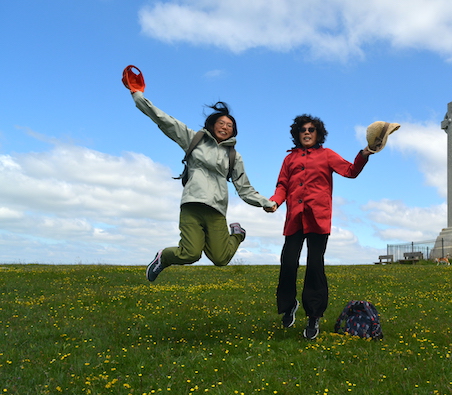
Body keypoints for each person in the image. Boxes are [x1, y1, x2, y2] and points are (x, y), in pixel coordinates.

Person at [122, 66, 276, 282]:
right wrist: (137, 95)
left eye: (229, 125)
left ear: (234, 131)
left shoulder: (234, 156)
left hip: (216, 210)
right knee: (191, 253)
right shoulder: (193, 139)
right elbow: (164, 120)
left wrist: (265, 203)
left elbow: (244, 188)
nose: (225, 127)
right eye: (221, 123)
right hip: (192, 205)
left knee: (221, 258)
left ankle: (238, 234)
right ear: (212, 125)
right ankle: (163, 259)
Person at [269, 114, 374, 340]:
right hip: (294, 219)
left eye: (311, 129)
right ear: (297, 134)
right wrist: (275, 201)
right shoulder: (289, 159)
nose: (307, 132)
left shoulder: (327, 155)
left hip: (318, 218)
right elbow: (282, 185)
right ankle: (289, 305)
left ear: (318, 134)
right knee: (288, 263)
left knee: (315, 266)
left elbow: (350, 171)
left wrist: (364, 154)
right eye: (303, 129)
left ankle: (313, 316)